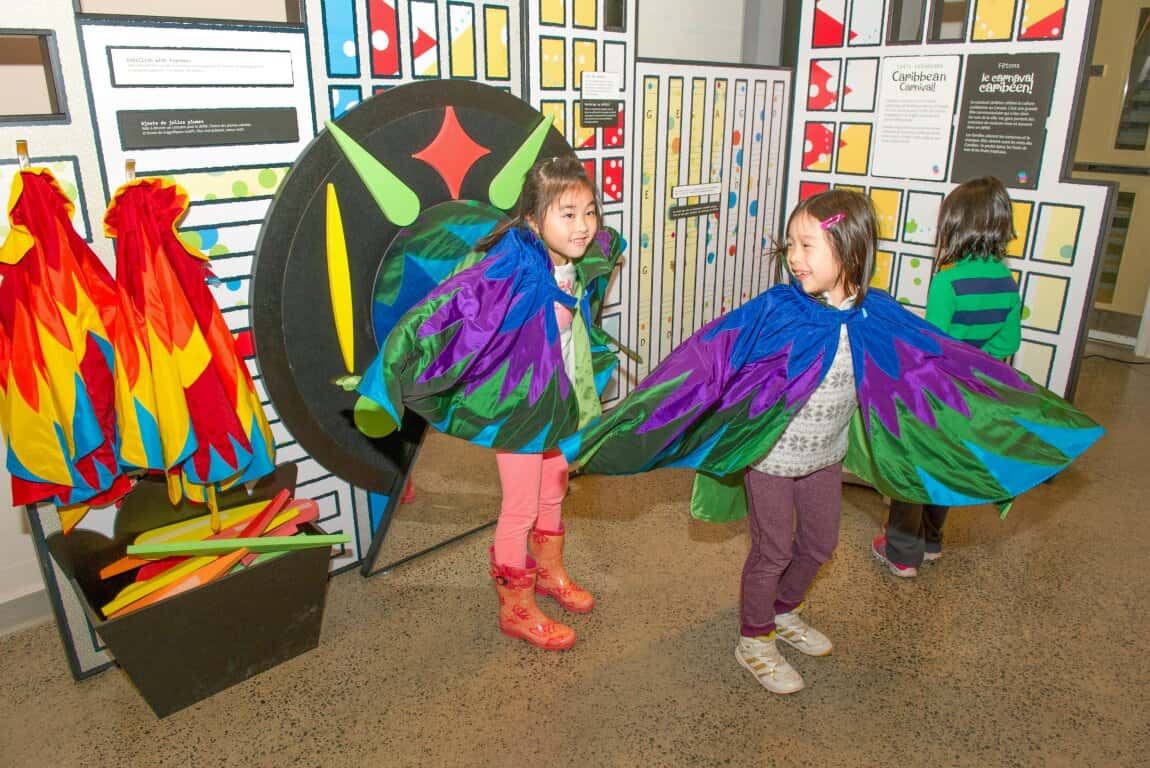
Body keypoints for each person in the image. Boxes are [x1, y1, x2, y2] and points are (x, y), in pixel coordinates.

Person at [562, 189, 1101, 693]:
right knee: (772, 551)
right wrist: (639, 417)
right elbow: (709, 356)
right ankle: (754, 638)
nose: (794, 258)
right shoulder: (778, 309)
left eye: (807, 246)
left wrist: (1012, 413)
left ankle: (783, 612)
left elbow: (934, 358)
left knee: (819, 545)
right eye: (790, 245)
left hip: (825, 458)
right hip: (771, 457)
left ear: (851, 250)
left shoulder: (875, 313)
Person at [356, 156, 623, 651]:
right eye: (568, 214)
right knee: (520, 508)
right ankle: (516, 608)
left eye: (590, 212)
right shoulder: (514, 263)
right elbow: (450, 305)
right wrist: (395, 360)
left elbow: (598, 259)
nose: (584, 226)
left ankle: (550, 573)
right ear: (532, 219)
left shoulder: (576, 259)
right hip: (521, 403)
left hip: (563, 398)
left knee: (554, 492)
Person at [871, 177, 1021, 578]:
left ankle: (902, 552)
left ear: (955, 225)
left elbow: (931, 343)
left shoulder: (948, 280)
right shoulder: (1006, 282)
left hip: (936, 390)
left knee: (914, 465)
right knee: (947, 462)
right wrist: (976, 361)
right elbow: (1008, 339)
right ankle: (933, 541)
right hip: (973, 390)